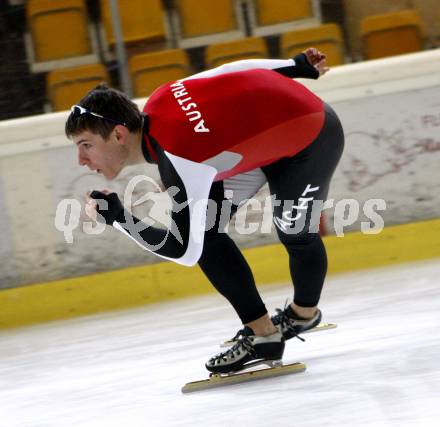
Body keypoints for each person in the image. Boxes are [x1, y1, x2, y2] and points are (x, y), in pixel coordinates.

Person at [65, 48, 344, 374]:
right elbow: (231, 69)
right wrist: (293, 66)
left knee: (296, 233)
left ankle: (303, 315)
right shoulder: (160, 98)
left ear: (118, 134)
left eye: (85, 145)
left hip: (311, 137)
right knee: (207, 233)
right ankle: (263, 332)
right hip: (263, 136)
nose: (81, 160)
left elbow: (183, 250)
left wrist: (118, 216)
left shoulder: (180, 159)